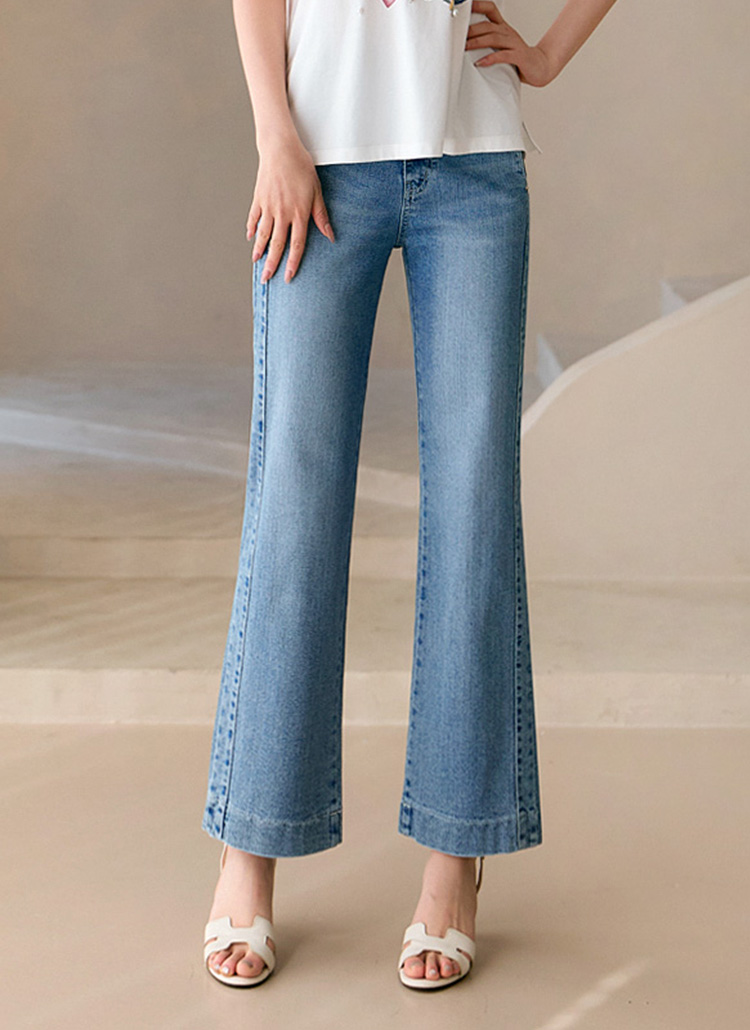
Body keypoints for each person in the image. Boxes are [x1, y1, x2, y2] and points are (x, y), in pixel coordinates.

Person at [201, 0, 618, 990]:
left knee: (475, 508)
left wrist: (548, 53)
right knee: (294, 503)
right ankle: (250, 848)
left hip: (473, 166)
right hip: (316, 157)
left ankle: (454, 860)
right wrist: (274, 133)